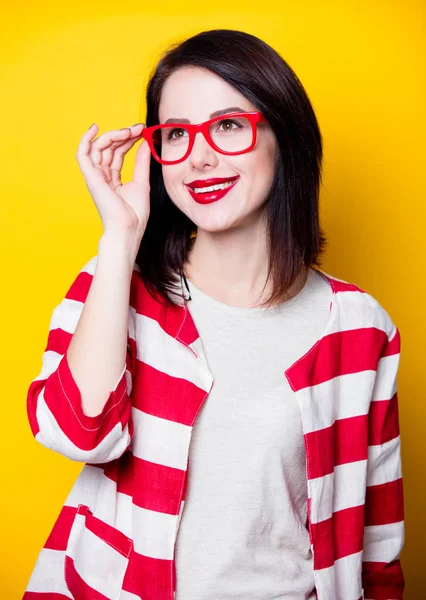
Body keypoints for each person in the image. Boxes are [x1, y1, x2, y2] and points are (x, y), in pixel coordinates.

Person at [23, 29, 405, 600]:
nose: (199, 157)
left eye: (228, 125)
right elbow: (78, 434)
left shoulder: (360, 328)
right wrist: (120, 239)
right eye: (175, 134)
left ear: (284, 136)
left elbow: (376, 550)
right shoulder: (118, 283)